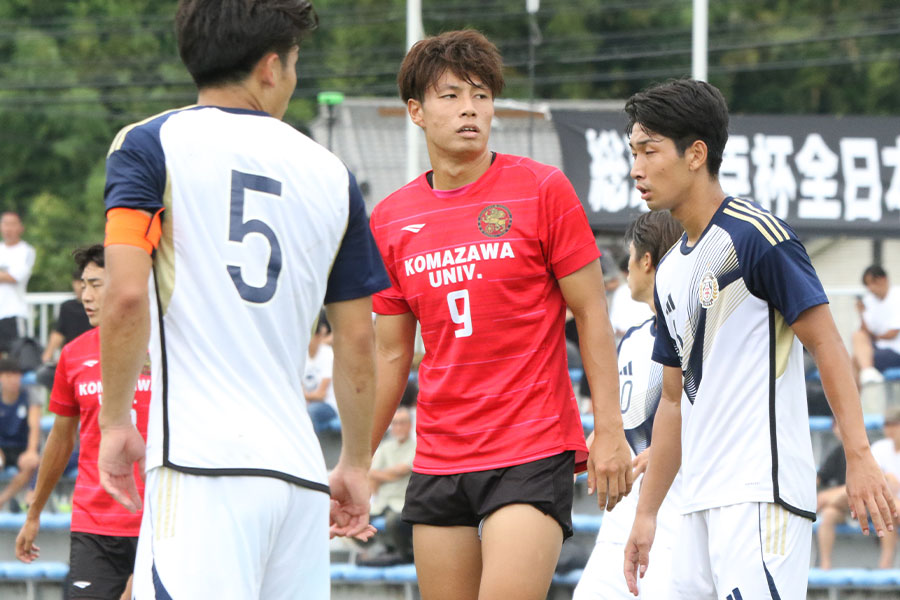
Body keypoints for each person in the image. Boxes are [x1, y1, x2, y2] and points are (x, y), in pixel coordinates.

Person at [96, 1, 390, 598]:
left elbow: (126, 295)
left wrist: (116, 418)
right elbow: (358, 340)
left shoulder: (149, 144)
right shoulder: (332, 174)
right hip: (300, 479)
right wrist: (355, 464)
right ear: (270, 68)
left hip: (201, 467)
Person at [368, 30, 632, 600]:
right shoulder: (390, 220)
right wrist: (355, 461)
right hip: (440, 454)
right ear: (415, 110)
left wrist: (607, 429)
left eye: (482, 95)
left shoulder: (542, 189)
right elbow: (390, 352)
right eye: (451, 95)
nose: (470, 108)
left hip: (531, 446)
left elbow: (591, 313)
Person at [622, 78, 898, 599]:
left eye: (649, 150)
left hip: (760, 494)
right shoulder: (672, 271)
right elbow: (673, 403)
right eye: (633, 151)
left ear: (695, 153)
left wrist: (860, 457)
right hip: (697, 504)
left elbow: (828, 345)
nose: (636, 167)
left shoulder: (757, 235)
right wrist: (647, 512)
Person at [16, 244, 149, 600]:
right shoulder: (73, 354)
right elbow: (61, 440)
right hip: (94, 525)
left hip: (158, 523)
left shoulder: (168, 351)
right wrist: (34, 513)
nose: (85, 296)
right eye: (83, 285)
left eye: (96, 285)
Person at [575, 210, 683, 599]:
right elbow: (619, 422)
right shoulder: (632, 338)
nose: (628, 269)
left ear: (647, 261)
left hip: (675, 511)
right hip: (619, 515)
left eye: (632, 256)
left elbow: (711, 415)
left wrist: (662, 450)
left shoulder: (698, 334)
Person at [362, 405, 416, 565]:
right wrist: (388, 475)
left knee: (394, 521)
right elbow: (371, 474)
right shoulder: (385, 447)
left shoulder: (416, 447)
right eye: (395, 423)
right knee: (354, 518)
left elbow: (399, 471)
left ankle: (403, 554)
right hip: (382, 502)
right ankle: (382, 548)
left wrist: (380, 474)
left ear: (410, 425)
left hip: (403, 503)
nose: (398, 427)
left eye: (402, 423)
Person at [0, 358, 41, 510]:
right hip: (2, 448)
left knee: (32, 463)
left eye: (17, 375)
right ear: (1, 377)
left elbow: (34, 426)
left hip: (22, 448)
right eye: (9, 375)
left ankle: (3, 499)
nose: (14, 380)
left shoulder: (29, 395)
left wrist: (31, 451)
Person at [852, 265, 900, 386]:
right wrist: (861, 313)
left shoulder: (897, 296)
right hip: (878, 348)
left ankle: (866, 370)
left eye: (872, 283)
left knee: (855, 362)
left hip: (895, 351)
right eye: (867, 285)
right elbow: (864, 333)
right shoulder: (869, 300)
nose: (870, 288)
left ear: (883, 279)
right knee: (857, 336)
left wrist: (873, 337)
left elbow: (892, 334)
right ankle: (867, 370)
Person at [815, 421, 850, 570]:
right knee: (828, 514)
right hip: (846, 507)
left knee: (824, 498)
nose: (838, 429)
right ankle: (825, 566)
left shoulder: (869, 448)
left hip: (866, 502)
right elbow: (819, 478)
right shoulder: (838, 451)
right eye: (836, 426)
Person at [40, 267, 93, 365]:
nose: (79, 287)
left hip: (92, 354)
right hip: (71, 356)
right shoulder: (67, 307)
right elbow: (58, 333)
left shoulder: (98, 307)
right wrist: (46, 357)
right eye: (77, 282)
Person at [0, 212, 36, 354]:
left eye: (12, 224)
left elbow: (15, 277)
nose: (8, 228)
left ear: (21, 228)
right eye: (5, 224)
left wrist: (6, 276)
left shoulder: (26, 251)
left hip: (13, 312)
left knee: (15, 356)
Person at [871, 406, 900, 568]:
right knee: (887, 508)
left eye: (893, 424)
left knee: (888, 507)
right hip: (886, 503)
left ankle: (886, 563)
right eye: (886, 424)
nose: (889, 429)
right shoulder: (880, 447)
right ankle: (886, 562)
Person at [303, 311, 339, 433]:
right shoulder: (301, 355)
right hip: (307, 404)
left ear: (319, 335)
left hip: (328, 406)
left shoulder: (328, 354)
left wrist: (305, 396)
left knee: (309, 413)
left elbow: (321, 395)